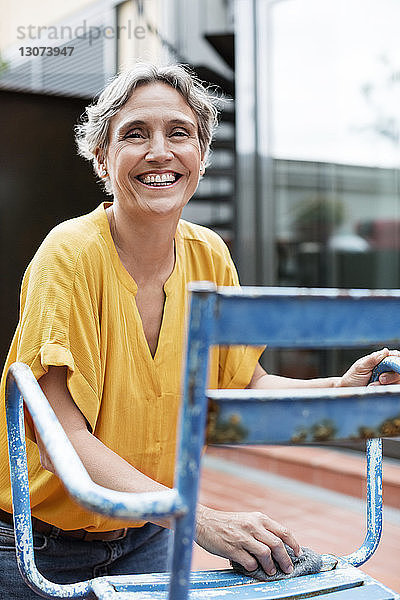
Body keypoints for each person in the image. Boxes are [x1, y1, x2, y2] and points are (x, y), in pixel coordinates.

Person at [0, 63, 399, 599]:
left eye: (179, 133)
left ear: (202, 157)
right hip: (36, 548)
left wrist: (338, 389)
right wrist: (201, 519)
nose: (159, 151)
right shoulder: (69, 256)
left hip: (148, 535)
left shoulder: (209, 255)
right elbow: (60, 440)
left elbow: (245, 383)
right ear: (102, 158)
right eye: (134, 134)